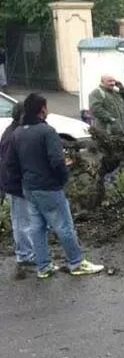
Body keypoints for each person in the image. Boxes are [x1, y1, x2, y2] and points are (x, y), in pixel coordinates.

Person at [8, 93, 103, 278]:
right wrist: (61, 179)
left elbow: (11, 163)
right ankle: (76, 262)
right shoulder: (47, 131)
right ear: (42, 109)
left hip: (29, 187)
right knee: (64, 226)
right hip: (48, 186)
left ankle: (43, 266)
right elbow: (57, 161)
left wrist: (25, 179)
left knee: (37, 227)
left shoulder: (17, 133)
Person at [1, 102, 32, 277]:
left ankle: (27, 252)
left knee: (23, 220)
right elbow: (9, 164)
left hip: (16, 184)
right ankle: (25, 255)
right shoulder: (12, 136)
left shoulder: (14, 132)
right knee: (22, 221)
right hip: (16, 186)